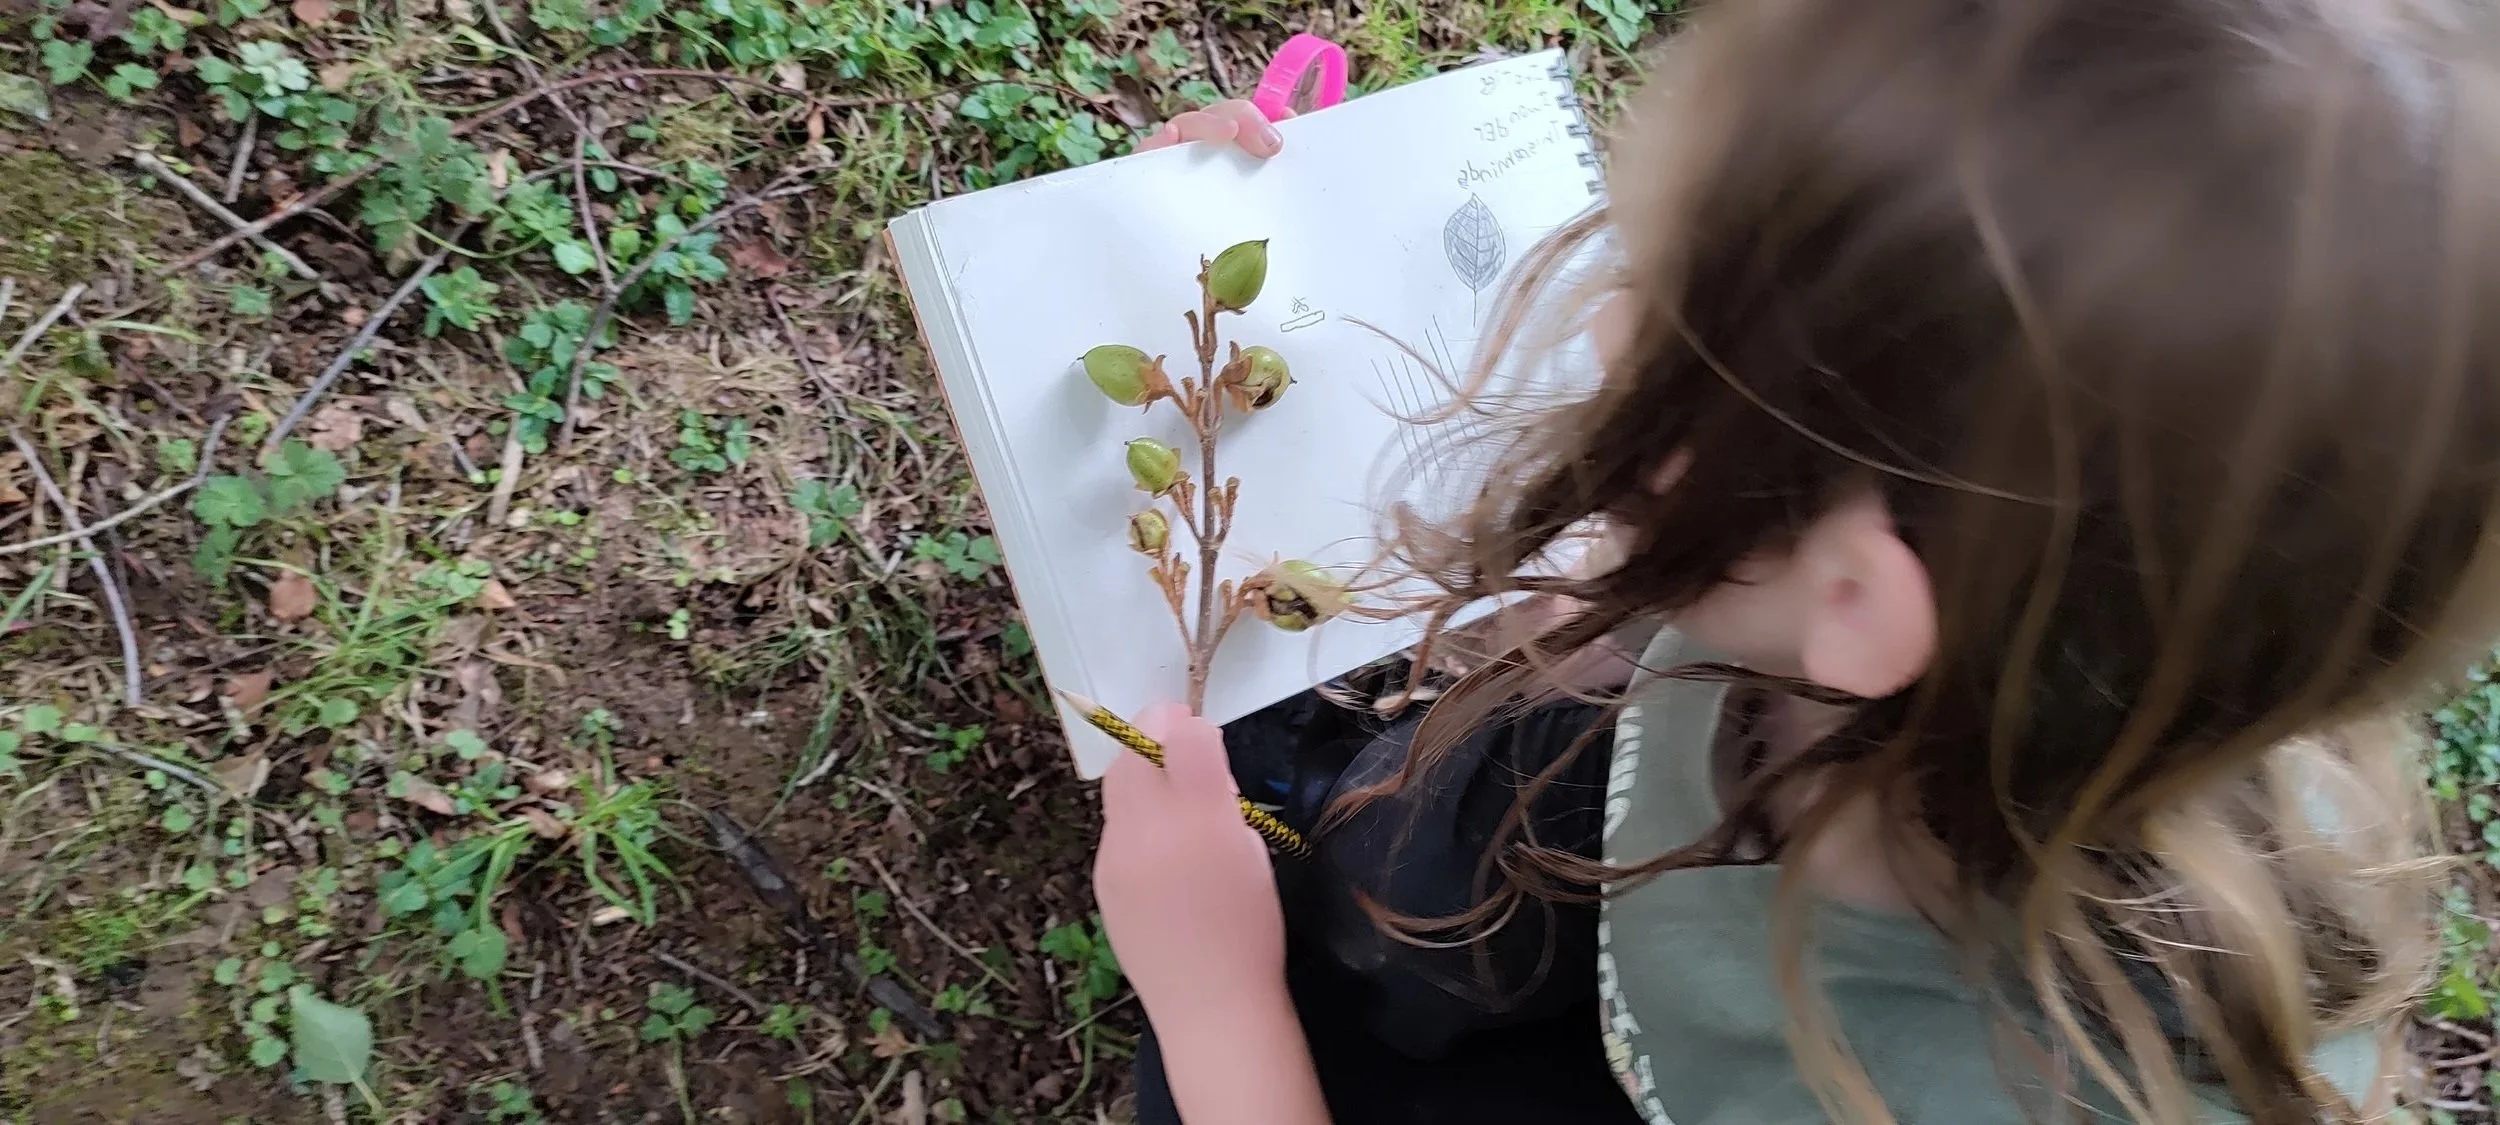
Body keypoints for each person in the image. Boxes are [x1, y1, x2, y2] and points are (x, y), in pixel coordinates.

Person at [1093, 0, 2500, 1122]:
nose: (1595, 330)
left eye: (1664, 316)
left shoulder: (1914, 1091)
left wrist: (1219, 1010)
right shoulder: (2105, 639)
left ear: (1860, 598)